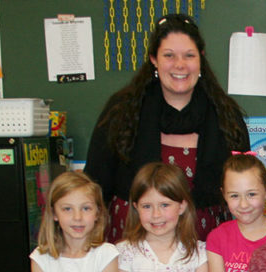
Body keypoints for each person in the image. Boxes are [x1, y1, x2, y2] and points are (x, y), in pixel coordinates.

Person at [85, 13, 249, 242]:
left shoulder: (226, 116)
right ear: (154, 58)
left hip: (206, 248)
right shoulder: (121, 112)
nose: (180, 65)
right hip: (132, 246)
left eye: (189, 55)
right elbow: (94, 187)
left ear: (201, 58)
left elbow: (245, 188)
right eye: (169, 55)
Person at [207, 153, 266, 272]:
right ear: (224, 195)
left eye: (251, 194)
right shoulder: (217, 237)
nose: (243, 204)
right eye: (234, 195)